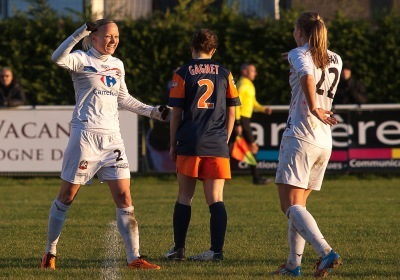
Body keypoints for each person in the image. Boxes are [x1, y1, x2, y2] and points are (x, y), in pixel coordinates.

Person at [40, 19, 171, 271]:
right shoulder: (80, 58)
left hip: (113, 139)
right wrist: (81, 30)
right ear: (94, 36)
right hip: (85, 136)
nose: (114, 41)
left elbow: (124, 99)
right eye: (109, 36)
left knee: (124, 197)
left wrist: (154, 112)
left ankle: (134, 258)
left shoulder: (117, 65)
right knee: (67, 196)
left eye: (117, 36)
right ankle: (50, 253)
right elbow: (57, 57)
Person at [273, 12, 343, 277]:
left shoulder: (298, 53)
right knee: (299, 205)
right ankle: (293, 265)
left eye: (293, 29)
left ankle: (326, 253)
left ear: (300, 31)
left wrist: (313, 107)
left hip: (301, 135)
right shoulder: (336, 57)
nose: (293, 33)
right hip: (324, 139)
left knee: (289, 205)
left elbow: (307, 75)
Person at [165, 29, 240, 261]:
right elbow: (232, 112)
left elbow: (176, 113)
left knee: (185, 196)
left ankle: (179, 249)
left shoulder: (182, 73)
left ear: (192, 47)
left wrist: (172, 143)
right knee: (216, 198)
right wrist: (223, 140)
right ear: (214, 50)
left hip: (190, 141)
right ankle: (216, 251)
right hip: (217, 143)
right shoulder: (225, 74)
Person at [231, 63, 272, 185]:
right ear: (244, 71)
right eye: (252, 70)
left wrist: (263, 109)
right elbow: (235, 104)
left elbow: (253, 103)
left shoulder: (249, 84)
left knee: (231, 148)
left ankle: (255, 177)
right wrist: (237, 123)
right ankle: (256, 177)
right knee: (252, 147)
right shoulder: (242, 84)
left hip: (244, 120)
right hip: (241, 120)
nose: (255, 73)